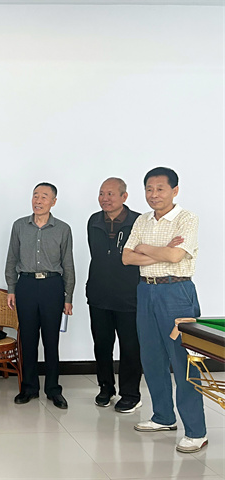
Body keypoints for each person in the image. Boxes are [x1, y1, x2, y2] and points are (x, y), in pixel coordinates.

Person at [123, 166, 207, 453]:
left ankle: (196, 431)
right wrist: (160, 251)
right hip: (146, 290)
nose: (153, 194)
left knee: (183, 361)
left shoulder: (187, 219)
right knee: (152, 357)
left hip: (177, 292)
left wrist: (145, 248)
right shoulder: (142, 220)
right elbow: (126, 257)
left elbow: (175, 256)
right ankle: (163, 417)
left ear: (175, 190)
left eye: (160, 189)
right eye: (149, 189)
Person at [5, 182, 74, 409]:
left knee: (51, 340)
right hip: (25, 284)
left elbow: (68, 264)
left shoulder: (63, 229)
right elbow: (11, 259)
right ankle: (28, 388)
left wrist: (68, 297)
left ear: (53, 201)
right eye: (35, 195)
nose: (38, 200)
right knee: (27, 339)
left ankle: (53, 389)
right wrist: (11, 288)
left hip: (52, 286)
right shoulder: (19, 226)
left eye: (44, 196)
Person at [86, 178, 142, 412]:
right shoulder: (94, 221)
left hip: (129, 296)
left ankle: (130, 394)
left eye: (110, 194)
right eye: (101, 194)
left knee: (130, 347)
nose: (105, 199)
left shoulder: (138, 221)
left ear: (124, 196)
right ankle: (105, 388)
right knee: (102, 345)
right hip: (99, 294)